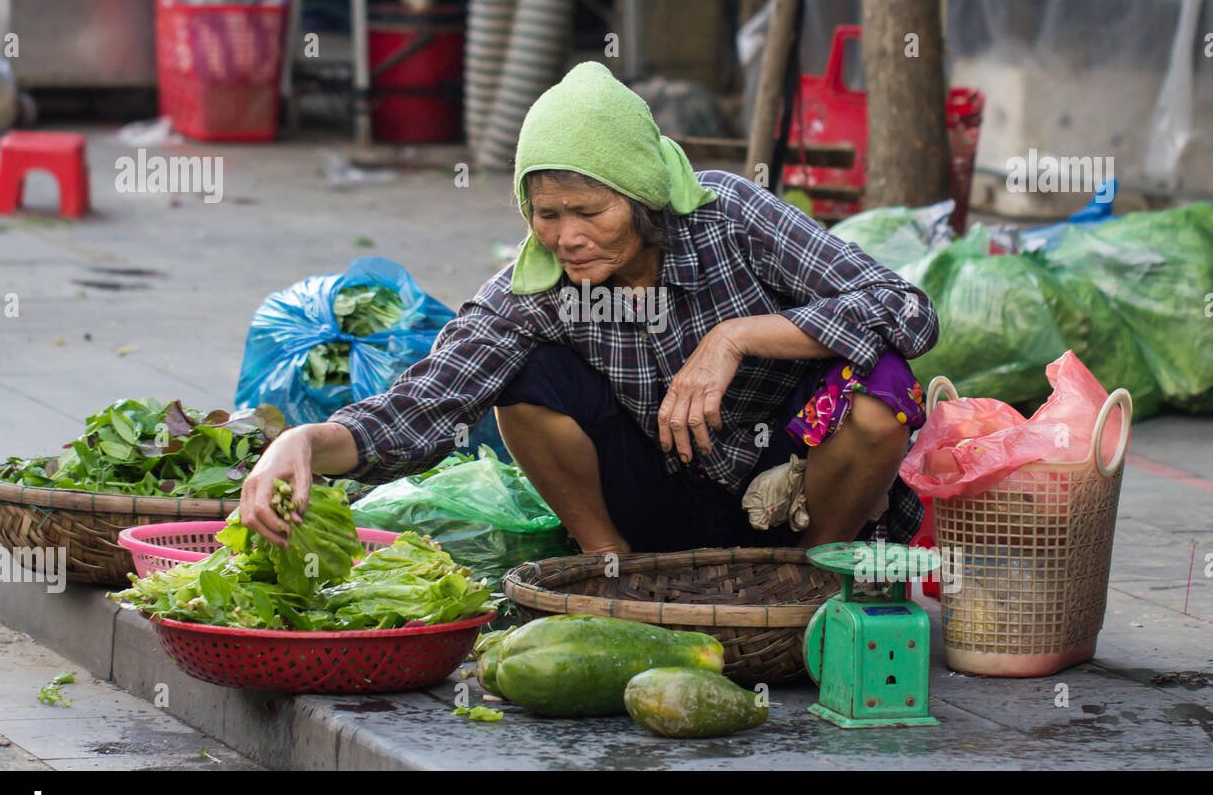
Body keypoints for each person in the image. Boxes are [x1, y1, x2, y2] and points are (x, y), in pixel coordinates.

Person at [238, 62, 938, 556]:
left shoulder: (730, 218)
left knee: (884, 390)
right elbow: (422, 406)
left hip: (793, 486)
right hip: (663, 496)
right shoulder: (539, 286)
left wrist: (736, 337)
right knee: (525, 379)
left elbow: (904, 308)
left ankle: (807, 583)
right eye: (545, 213)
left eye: (589, 210)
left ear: (640, 196)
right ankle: (611, 565)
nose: (566, 235)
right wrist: (302, 442)